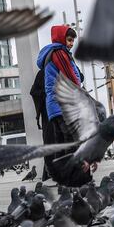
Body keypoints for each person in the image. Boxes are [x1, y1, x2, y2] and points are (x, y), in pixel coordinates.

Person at [36, 25, 85, 180]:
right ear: (61, 38)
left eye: (72, 41)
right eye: (69, 40)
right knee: (71, 142)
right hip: (63, 105)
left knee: (61, 143)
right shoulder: (59, 53)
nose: (71, 44)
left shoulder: (51, 53)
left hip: (54, 107)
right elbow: (71, 78)